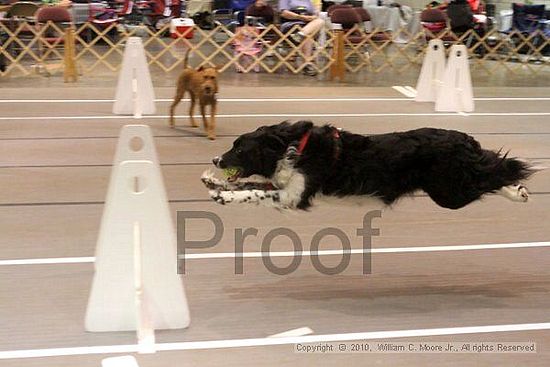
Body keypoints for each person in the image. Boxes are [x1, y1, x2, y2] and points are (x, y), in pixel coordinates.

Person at [278, 0, 324, 76]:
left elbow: (315, 14)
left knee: (320, 21)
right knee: (308, 35)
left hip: (306, 25)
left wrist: (311, 17)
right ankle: (307, 64)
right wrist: (300, 17)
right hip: (291, 25)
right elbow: (284, 13)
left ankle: (300, 35)